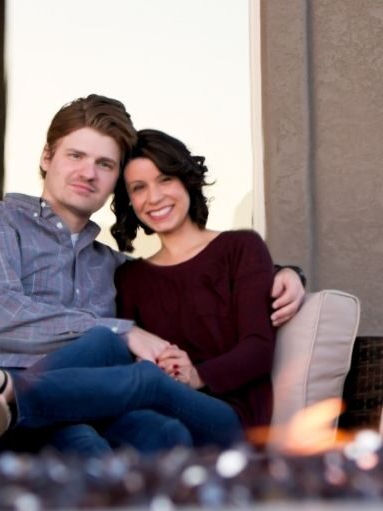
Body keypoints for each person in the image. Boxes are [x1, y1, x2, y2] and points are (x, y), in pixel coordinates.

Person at [0, 94, 305, 456]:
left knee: (165, 431)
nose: (88, 173)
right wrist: (122, 331)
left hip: (82, 407)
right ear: (47, 157)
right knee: (104, 356)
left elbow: (186, 277)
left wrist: (283, 273)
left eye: (105, 164)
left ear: (115, 183)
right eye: (76, 155)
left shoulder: (113, 267)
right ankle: (1, 395)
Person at [112, 129, 276, 440]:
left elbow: (259, 349)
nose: (154, 197)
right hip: (162, 417)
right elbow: (128, 355)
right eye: (138, 187)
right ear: (130, 201)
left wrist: (196, 374)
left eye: (165, 179)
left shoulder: (241, 248)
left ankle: (16, 398)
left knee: (146, 383)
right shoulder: (129, 278)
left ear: (186, 180)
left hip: (233, 417)